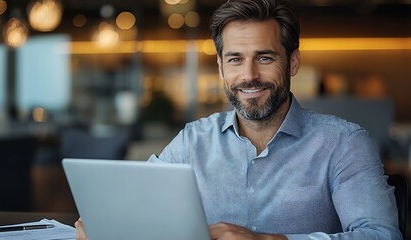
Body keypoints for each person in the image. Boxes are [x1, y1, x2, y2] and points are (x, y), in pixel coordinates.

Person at [75, 0, 401, 239]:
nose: (249, 75)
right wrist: (106, 224)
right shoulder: (193, 140)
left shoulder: (343, 143)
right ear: (220, 67)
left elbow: (381, 235)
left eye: (265, 57)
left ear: (293, 62)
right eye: (235, 59)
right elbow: (136, 208)